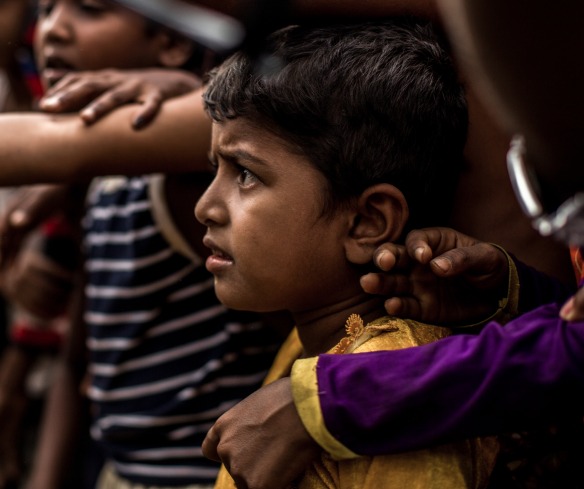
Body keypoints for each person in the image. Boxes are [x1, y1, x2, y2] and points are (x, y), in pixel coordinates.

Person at [199, 1, 584, 488]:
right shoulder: (308, 338)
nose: (205, 206)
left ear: (367, 221)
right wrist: (517, 294)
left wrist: (329, 403)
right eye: (216, 169)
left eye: (247, 175)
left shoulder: (385, 358)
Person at [18, 2, 282, 488]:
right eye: (46, 9)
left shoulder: (188, 184)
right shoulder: (105, 184)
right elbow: (84, 359)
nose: (53, 29)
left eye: (90, 9)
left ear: (173, 41)